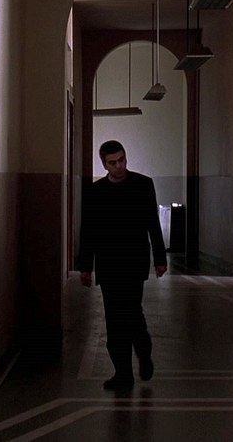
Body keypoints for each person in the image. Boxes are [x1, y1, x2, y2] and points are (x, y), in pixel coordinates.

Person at [78, 140, 167, 390]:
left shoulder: (143, 185)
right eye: (112, 163)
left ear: (126, 158)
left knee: (131, 312)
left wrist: (160, 259)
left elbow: (152, 223)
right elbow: (89, 230)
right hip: (108, 264)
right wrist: (85, 266)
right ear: (104, 164)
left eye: (122, 160)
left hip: (134, 262)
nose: (118, 166)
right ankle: (123, 373)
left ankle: (143, 351)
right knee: (114, 319)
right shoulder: (96, 191)